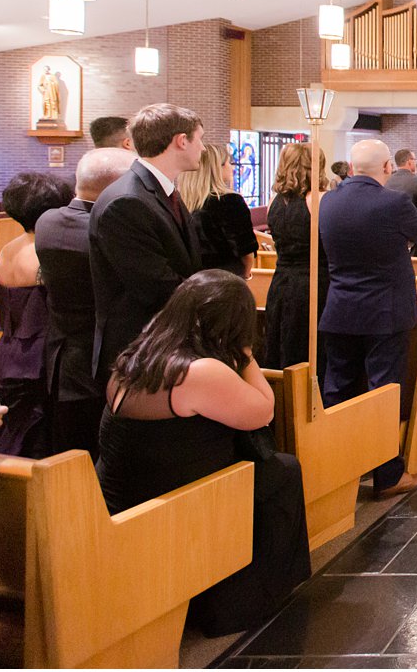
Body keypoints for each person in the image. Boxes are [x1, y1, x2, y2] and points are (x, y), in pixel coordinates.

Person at [94, 271, 310, 635]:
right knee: (282, 472)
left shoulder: (137, 355)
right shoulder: (198, 371)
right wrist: (243, 355)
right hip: (172, 500)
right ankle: (239, 602)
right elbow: (263, 409)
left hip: (121, 494)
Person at [318, 139, 417, 498]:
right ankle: (387, 474)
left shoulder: (327, 201)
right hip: (384, 309)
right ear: (387, 168)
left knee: (338, 389)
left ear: (351, 169)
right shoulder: (393, 202)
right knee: (384, 391)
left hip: (339, 308)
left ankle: (338, 470)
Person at [89, 103, 204, 390]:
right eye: (199, 139)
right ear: (181, 140)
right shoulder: (127, 201)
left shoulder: (158, 190)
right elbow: (155, 285)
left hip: (162, 344)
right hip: (139, 351)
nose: (202, 148)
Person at [35, 147, 135, 455]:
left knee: (65, 449)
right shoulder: (107, 231)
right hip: (99, 360)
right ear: (117, 188)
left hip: (59, 355)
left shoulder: (47, 221)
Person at [0, 171, 75, 457]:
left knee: (14, 428)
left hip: (9, 349)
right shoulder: (45, 251)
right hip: (39, 352)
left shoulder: (8, 250)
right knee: (38, 436)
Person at [263, 143, 329, 371]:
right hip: (313, 282)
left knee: (281, 341)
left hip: (281, 282)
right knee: (307, 348)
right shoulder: (318, 199)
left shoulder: (274, 201)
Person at [180, 143, 257, 278]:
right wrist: (245, 277)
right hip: (227, 279)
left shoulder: (183, 202)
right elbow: (246, 252)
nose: (232, 167)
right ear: (217, 168)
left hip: (194, 280)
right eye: (228, 162)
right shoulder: (229, 201)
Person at [385, 148, 417, 221]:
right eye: (414, 159)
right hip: (414, 227)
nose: (415, 162)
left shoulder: (387, 180)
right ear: (409, 161)